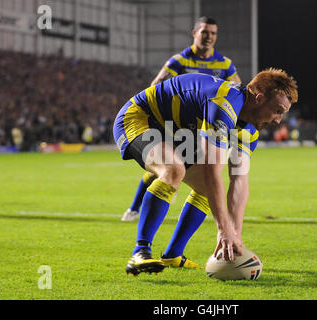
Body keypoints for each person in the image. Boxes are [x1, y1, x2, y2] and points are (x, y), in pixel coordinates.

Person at [113, 69, 298, 275]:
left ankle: (173, 254)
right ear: (259, 98)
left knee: (206, 189)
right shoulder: (223, 105)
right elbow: (212, 171)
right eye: (278, 110)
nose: (278, 120)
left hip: (177, 131)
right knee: (173, 169)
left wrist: (234, 234)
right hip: (140, 117)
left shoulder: (249, 129)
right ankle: (140, 252)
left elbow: (239, 179)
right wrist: (223, 228)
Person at [122, 16, 241, 222]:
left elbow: (238, 90)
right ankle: (135, 209)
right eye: (204, 32)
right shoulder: (180, 60)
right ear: (195, 33)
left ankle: (141, 210)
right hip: (174, 123)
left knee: (191, 169)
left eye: (213, 33)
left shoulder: (224, 64)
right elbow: (157, 84)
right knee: (166, 166)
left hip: (204, 127)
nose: (209, 37)